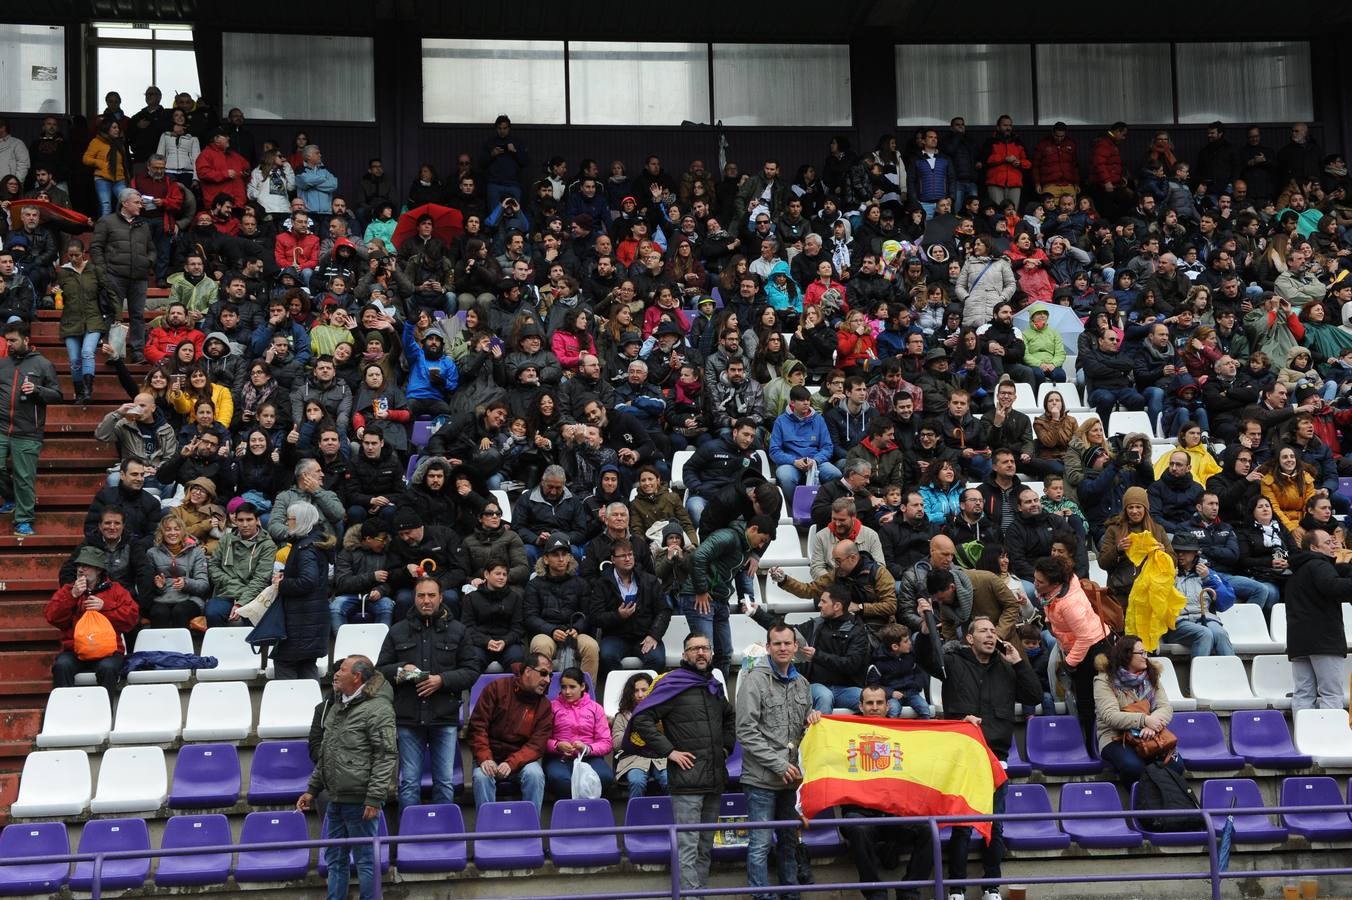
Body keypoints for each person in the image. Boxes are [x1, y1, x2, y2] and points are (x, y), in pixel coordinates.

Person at [915, 603, 1040, 900]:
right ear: (969, 638)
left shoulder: (1007, 667)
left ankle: (991, 887)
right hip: (962, 756)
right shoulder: (953, 661)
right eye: (983, 630)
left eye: (993, 631)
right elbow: (924, 658)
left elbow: (1034, 696)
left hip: (997, 758)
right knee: (962, 825)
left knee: (994, 826)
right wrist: (924, 630)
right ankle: (956, 888)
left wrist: (1019, 662)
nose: (990, 635)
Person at [630, 632, 736, 896]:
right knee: (687, 847)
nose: (700, 653)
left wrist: (725, 748)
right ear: (685, 654)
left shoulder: (713, 685)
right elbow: (642, 719)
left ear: (711, 653)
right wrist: (670, 752)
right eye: (694, 649)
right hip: (687, 781)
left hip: (714, 779)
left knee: (704, 847)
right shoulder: (673, 683)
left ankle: (698, 893)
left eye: (705, 648)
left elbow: (730, 717)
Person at [376, 575, 482, 810]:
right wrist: (401, 670)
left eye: (431, 595)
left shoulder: (459, 631)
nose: (426, 600)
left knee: (445, 783)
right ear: (414, 598)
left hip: (443, 716)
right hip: (408, 718)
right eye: (421, 595)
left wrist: (441, 680)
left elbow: (472, 670)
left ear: (441, 597)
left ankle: (444, 838)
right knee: (409, 783)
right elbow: (380, 671)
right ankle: (408, 840)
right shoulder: (397, 630)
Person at [297, 655, 396, 900]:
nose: (336, 674)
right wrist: (312, 789)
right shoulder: (337, 706)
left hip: (361, 801)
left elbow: (385, 756)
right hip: (335, 799)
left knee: (365, 860)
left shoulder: (378, 709)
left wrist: (374, 798)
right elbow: (326, 753)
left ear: (357, 677)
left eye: (342, 670)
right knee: (335, 859)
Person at [737, 622, 819, 900]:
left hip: (792, 780)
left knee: (788, 843)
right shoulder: (753, 680)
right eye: (777, 643)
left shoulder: (803, 684)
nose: (783, 648)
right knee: (759, 844)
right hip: (761, 779)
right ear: (768, 646)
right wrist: (779, 764)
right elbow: (746, 731)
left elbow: (805, 727)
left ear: (796, 647)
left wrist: (814, 720)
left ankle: (791, 895)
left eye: (788, 643)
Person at [840, 683, 936, 900]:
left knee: (929, 830)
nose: (874, 707)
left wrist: (965, 724)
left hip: (896, 814)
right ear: (861, 706)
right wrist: (816, 720)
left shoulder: (902, 733)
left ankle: (909, 891)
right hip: (862, 814)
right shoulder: (842, 731)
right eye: (870, 703)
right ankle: (875, 894)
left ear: (887, 705)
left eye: (879, 703)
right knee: (856, 826)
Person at [677, 516, 777, 675]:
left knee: (724, 653)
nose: (761, 545)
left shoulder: (745, 547)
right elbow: (698, 556)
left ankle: (718, 693)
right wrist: (701, 590)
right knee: (703, 654)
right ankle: (701, 694)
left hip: (719, 599)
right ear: (753, 529)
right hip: (700, 598)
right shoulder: (727, 536)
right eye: (762, 540)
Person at [1035, 555, 1113, 752]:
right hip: (1076, 645)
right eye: (1035, 578)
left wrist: (1069, 664)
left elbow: (1085, 638)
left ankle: (1092, 747)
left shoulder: (1069, 603)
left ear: (1055, 582)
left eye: (1040, 581)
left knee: (1088, 700)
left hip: (1094, 648)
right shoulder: (1055, 592)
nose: (1035, 584)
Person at [465, 651, 554, 811]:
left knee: (535, 775)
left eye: (550, 675)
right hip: (489, 755)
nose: (547, 680)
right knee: (481, 776)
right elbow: (478, 727)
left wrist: (511, 763)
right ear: (527, 671)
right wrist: (485, 758)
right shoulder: (497, 688)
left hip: (520, 761)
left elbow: (536, 745)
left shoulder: (544, 706)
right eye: (543, 673)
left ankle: (531, 831)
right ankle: (487, 832)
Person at [1094, 634, 1185, 788]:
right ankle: (1142, 806)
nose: (1146, 657)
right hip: (1115, 737)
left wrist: (1152, 725)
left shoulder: (1151, 675)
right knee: (1134, 767)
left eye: (1146, 653)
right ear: (1126, 655)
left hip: (1151, 735)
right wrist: (1144, 720)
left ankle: (1165, 805)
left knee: (1175, 765)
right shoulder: (1104, 680)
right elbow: (1110, 716)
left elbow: (1165, 707)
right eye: (1141, 653)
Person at [46, 546, 140, 691]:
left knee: (108, 668)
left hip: (107, 650)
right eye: (79, 565)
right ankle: (65, 710)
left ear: (99, 570)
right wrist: (72, 596)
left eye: (87, 566)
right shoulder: (68, 590)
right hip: (75, 650)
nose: (81, 570)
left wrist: (105, 607)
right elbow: (52, 617)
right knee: (62, 666)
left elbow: (132, 618)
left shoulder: (115, 590)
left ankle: (105, 710)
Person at [1286, 529, 1352, 711]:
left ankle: (1302, 736)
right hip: (1324, 640)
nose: (1334, 546)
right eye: (1328, 543)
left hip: (1298, 641)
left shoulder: (1296, 571)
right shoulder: (1319, 565)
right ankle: (1327, 738)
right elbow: (1332, 586)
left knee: (1303, 694)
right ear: (1314, 547)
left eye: (1333, 541)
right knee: (1331, 694)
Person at [0, 322, 56, 535]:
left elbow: (57, 394)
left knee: (24, 477)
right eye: (7, 341)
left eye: (13, 340)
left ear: (26, 340)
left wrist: (37, 389)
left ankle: (24, 519)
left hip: (28, 430)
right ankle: (11, 498)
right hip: (1, 426)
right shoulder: (3, 364)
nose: (10, 345)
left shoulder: (43, 364)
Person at [90, 188, 154, 362]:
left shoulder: (143, 225)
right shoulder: (107, 221)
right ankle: (112, 351)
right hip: (114, 275)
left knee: (138, 316)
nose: (140, 205)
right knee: (112, 313)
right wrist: (102, 270)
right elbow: (96, 247)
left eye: (141, 202)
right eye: (136, 202)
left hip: (139, 277)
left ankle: (137, 351)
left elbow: (152, 249)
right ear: (125, 203)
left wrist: (148, 262)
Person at [591, 538, 671, 673]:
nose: (628, 559)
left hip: (644, 635)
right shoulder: (602, 583)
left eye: (630, 554)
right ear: (613, 559)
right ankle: (622, 690)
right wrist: (618, 616)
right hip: (615, 636)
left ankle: (642, 691)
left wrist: (654, 635)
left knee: (657, 659)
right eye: (622, 556)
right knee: (606, 657)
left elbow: (664, 611)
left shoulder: (649, 580)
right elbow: (595, 616)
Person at [272, 502, 331, 680]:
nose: (286, 522)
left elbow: (308, 580)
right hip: (310, 617)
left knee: (284, 661)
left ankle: (289, 706)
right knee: (306, 663)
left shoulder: (305, 548)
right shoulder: (314, 543)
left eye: (289, 519)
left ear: (300, 521)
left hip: (302, 619)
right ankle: (312, 705)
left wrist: (282, 584)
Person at [1162, 533, 1236, 658]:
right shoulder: (1164, 571)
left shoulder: (1208, 573)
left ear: (1196, 553)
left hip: (1205, 618)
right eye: (1177, 551)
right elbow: (1156, 600)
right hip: (1176, 623)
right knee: (1204, 633)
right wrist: (1169, 580)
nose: (1180, 554)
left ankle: (1234, 674)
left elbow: (1226, 603)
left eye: (1185, 551)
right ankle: (1199, 676)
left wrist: (1208, 578)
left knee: (1220, 634)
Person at [544, 666, 614, 798]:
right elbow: (541, 739)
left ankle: (589, 811)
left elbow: (606, 742)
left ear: (582, 686)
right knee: (562, 780)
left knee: (605, 777)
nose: (567, 691)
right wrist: (557, 745)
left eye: (572, 687)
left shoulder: (596, 708)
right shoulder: (552, 707)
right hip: (559, 758)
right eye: (563, 687)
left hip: (589, 757)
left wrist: (587, 748)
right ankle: (569, 812)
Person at [205, 502, 277, 627]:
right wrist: (232, 584)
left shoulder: (267, 545)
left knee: (253, 615)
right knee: (213, 612)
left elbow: (261, 579)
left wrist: (240, 603)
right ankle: (218, 646)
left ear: (257, 520)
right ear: (235, 521)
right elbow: (213, 566)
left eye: (249, 520)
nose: (245, 524)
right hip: (226, 592)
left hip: (254, 596)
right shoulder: (226, 539)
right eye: (240, 520)